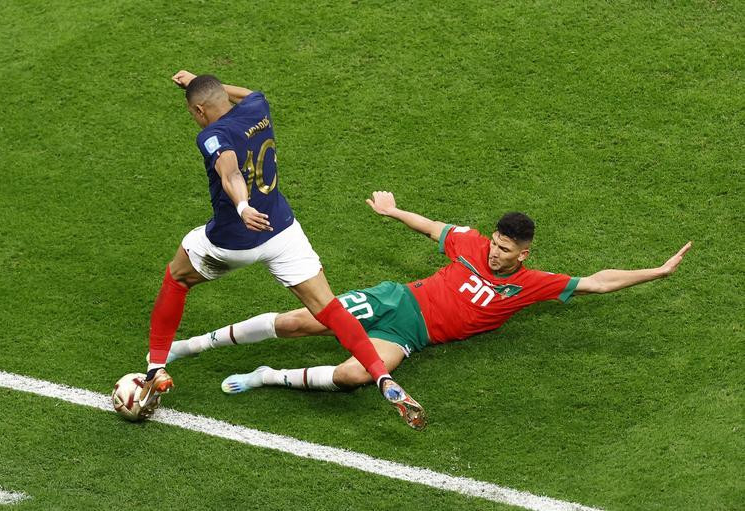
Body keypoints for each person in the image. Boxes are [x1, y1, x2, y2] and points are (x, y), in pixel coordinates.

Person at [165, 191, 692, 400]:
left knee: (354, 377)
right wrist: (394, 211)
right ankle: (194, 345)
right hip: (398, 301)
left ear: (523, 255)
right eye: (495, 243)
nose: (495, 254)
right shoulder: (469, 244)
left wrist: (657, 271)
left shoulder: (531, 284)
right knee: (304, 321)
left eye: (506, 250)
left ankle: (265, 377)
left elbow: (598, 281)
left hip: (410, 336)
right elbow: (433, 228)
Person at [137, 73, 424, 430]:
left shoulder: (211, 135)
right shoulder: (258, 106)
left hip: (235, 240)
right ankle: (381, 376)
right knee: (328, 308)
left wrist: (242, 206)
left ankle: (155, 366)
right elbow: (245, 93)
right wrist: (200, 80)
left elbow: (229, 171)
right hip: (283, 231)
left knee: (177, 278)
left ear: (199, 109)